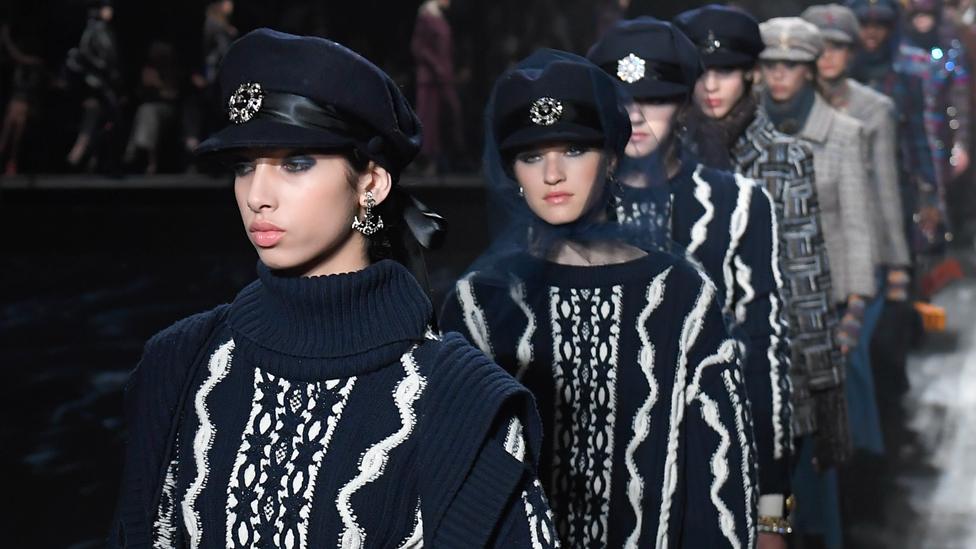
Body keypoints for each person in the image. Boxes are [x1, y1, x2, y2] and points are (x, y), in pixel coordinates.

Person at [109, 29, 554, 548]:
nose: (257, 195)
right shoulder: (174, 365)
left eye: (295, 164)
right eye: (244, 166)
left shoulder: (464, 402)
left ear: (372, 183)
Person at [440, 49, 757, 548]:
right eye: (530, 156)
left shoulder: (681, 295)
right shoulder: (479, 304)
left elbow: (720, 479)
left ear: (611, 157)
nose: (551, 175)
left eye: (572, 150)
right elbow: (454, 480)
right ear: (511, 174)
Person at [587, 17, 792, 542]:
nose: (635, 116)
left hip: (710, 468)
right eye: (620, 99)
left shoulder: (739, 205)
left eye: (653, 99)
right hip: (595, 477)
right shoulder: (570, 209)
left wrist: (772, 512)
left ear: (682, 103)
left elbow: (765, 358)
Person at [674, 2, 852, 524]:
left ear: (749, 74)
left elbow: (804, 278)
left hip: (766, 382)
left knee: (761, 524)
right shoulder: (658, 163)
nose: (711, 86)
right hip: (681, 384)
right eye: (701, 72)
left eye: (725, 71)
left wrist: (823, 386)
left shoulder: (785, 157)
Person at [758, 17, 877, 548]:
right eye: (770, 66)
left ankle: (817, 536)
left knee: (813, 451)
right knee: (770, 450)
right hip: (760, 318)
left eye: (790, 66)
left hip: (819, 317)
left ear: (809, 71)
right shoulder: (741, 137)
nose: (778, 76)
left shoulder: (843, 135)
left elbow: (856, 226)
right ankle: (775, 534)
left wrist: (851, 315)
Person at [64, 0, 121, 171]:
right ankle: (77, 155)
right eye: (106, 8)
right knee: (95, 116)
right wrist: (100, 66)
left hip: (105, 82)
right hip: (94, 83)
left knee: (108, 120)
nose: (109, 11)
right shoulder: (94, 28)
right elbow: (85, 51)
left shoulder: (106, 31)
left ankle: (89, 157)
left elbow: (111, 57)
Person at [410, 0, 463, 175]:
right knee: (429, 119)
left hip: (444, 77)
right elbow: (419, 47)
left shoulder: (439, 17)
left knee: (449, 114)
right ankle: (428, 162)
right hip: (431, 78)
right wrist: (436, 66)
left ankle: (445, 160)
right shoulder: (426, 17)